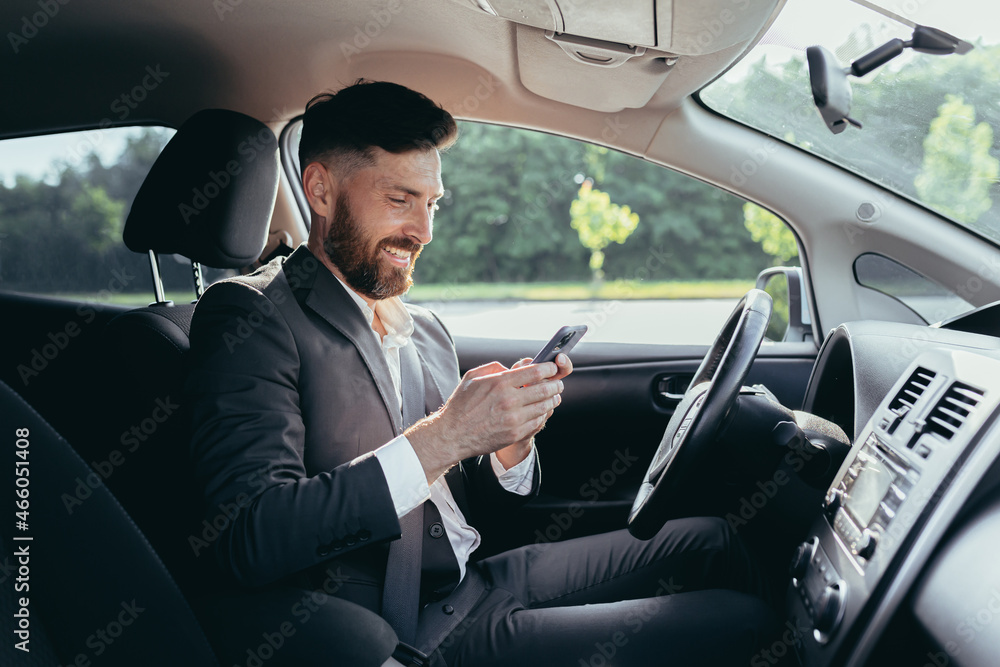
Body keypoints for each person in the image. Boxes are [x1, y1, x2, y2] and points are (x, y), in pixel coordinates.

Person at [187, 79, 776, 667]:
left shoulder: (424, 328)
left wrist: (509, 444)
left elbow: (476, 505)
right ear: (320, 191)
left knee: (714, 541)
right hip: (400, 629)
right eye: (400, 200)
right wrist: (446, 435)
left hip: (478, 581)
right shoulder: (253, 317)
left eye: (432, 203)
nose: (425, 231)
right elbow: (249, 537)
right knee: (744, 626)